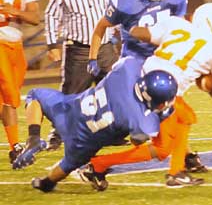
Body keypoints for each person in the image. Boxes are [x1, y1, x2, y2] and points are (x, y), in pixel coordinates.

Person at [78, 3, 212, 189]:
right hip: (161, 92)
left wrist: (132, 22)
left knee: (184, 117)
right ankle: (97, 165)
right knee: (161, 148)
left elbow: (138, 32)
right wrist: (206, 84)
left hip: (139, 77)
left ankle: (177, 171)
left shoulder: (178, 24)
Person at [11, 56, 178, 193]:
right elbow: (138, 139)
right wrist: (160, 114)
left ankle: (33, 137)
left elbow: (124, 65)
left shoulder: (128, 68)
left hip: (71, 110)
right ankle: (46, 183)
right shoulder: (142, 120)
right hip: (82, 141)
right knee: (68, 164)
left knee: (35, 96)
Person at [44, 0, 119, 150]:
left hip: (105, 49)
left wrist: (120, 37)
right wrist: (52, 44)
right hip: (78, 50)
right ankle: (57, 133)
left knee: (115, 90)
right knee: (71, 94)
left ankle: (114, 131)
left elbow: (117, 13)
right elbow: (51, 15)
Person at [0, 0, 42, 163]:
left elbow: (34, 18)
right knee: (9, 92)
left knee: (9, 100)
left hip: (15, 45)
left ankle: (13, 146)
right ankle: (16, 145)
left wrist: (13, 11)